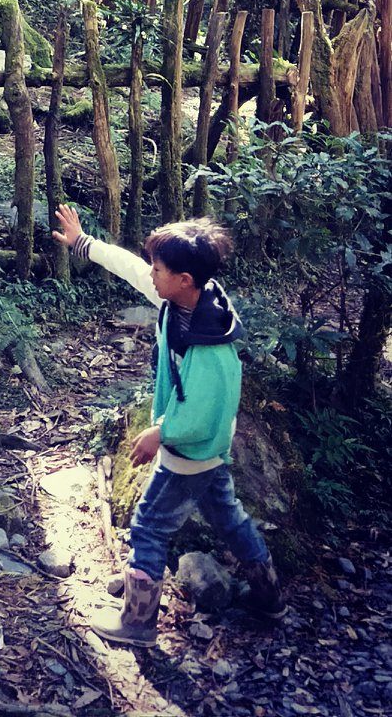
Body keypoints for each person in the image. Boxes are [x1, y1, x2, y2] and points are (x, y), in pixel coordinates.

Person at [54, 204, 284, 647]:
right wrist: (84, 243)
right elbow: (131, 269)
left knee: (149, 527)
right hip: (208, 452)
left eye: (159, 268)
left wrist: (161, 432)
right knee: (230, 519)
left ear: (184, 280)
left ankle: (138, 623)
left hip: (192, 451)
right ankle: (269, 597)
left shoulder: (213, 347)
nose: (151, 273)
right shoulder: (178, 301)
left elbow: (201, 411)